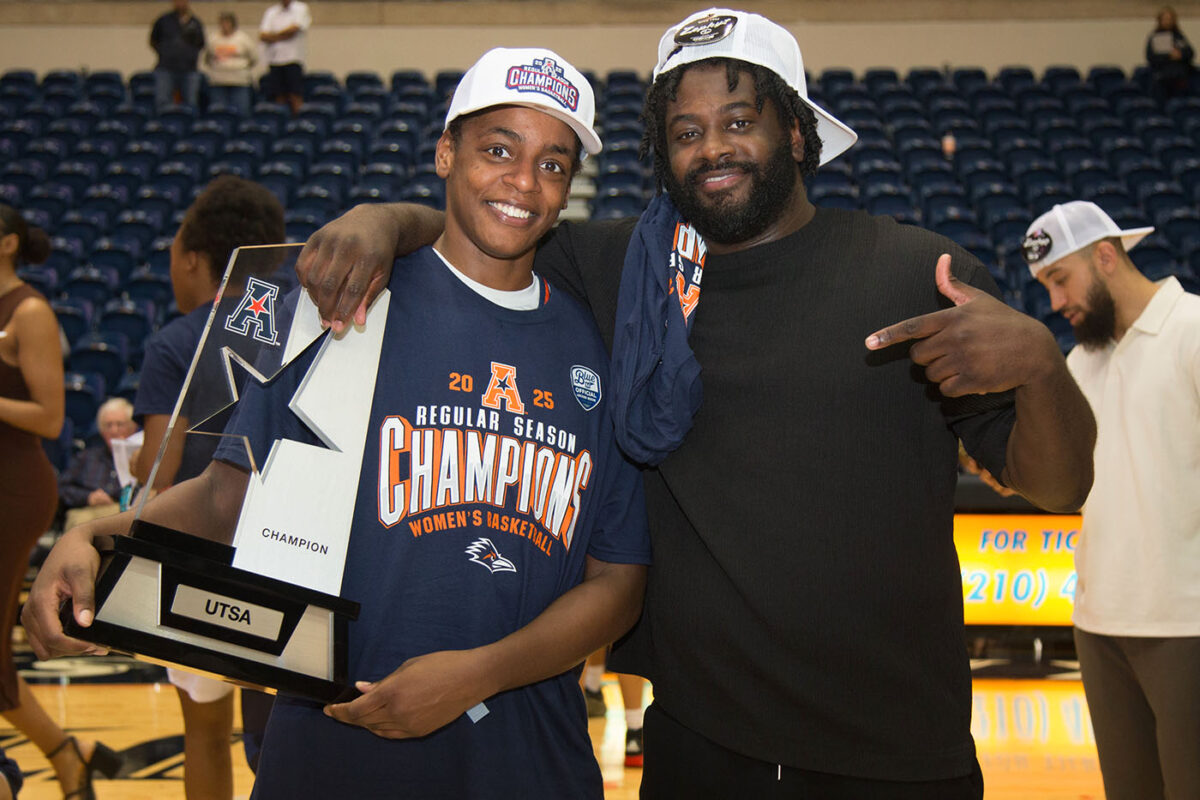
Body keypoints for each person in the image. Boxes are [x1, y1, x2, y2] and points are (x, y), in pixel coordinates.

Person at [292, 9, 1097, 797]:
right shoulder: (625, 268)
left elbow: (1058, 487)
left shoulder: (919, 272)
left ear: (795, 132)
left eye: (738, 119)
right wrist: (379, 220)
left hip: (896, 752)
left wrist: (1042, 370)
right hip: (701, 752)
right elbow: (491, 219)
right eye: (685, 131)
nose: (712, 147)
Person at [24, 46, 651, 799]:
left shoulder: (597, 345)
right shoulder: (338, 299)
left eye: (553, 164)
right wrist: (93, 536)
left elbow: (617, 582)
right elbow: (227, 498)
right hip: (333, 737)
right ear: (445, 151)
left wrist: (475, 675)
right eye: (497, 150)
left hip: (526, 754)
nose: (523, 182)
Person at [1023, 200, 1200, 800]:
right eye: (1045, 285)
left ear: (1106, 256)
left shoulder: (1193, 331)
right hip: (1098, 625)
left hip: (1187, 623)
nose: (1054, 303)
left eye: (1059, 278)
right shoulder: (1079, 362)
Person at [127, 175, 285, 800]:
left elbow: (158, 473)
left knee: (205, 728)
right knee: (280, 738)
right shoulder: (304, 320)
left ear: (193, 259)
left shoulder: (176, 343)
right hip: (289, 551)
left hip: (203, 558)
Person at [0, 206, 121, 798]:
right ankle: (65, 755)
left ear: (8, 243)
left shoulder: (29, 311)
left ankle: (48, 760)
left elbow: (50, 418)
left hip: (14, 486)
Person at [58, 397, 138, 528]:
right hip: (86, 512)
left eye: (119, 424)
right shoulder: (86, 457)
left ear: (132, 428)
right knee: (79, 523)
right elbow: (62, 488)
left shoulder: (140, 459)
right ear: (101, 430)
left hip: (122, 512)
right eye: (108, 425)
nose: (114, 431)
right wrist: (88, 497)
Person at [150, 0, 205, 111]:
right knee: (163, 103)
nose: (180, 3)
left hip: (189, 70)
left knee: (191, 103)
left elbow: (201, 43)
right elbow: (153, 40)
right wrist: (164, 52)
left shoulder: (195, 23)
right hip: (165, 69)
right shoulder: (163, 20)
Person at [258, 0, 311, 114]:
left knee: (295, 95)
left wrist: (273, 37)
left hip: (293, 59)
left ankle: (297, 123)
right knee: (278, 96)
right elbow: (262, 35)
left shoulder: (301, 8)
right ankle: (280, 122)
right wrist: (282, 36)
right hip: (275, 60)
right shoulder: (271, 12)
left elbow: (294, 29)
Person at [204, 12, 258, 117]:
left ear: (233, 24)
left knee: (241, 113)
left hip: (239, 82)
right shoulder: (213, 39)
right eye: (222, 23)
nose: (225, 26)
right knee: (218, 114)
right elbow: (207, 59)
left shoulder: (243, 39)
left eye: (227, 23)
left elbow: (254, 58)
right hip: (218, 82)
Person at [1146, 6, 1194, 100]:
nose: (1168, 21)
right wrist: (1169, 56)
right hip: (1162, 79)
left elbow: (1190, 53)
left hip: (1180, 78)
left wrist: (1180, 55)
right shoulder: (1154, 37)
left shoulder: (1179, 37)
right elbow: (1150, 57)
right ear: (1160, 20)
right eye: (1165, 19)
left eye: (1170, 19)